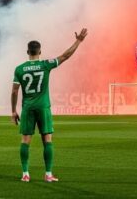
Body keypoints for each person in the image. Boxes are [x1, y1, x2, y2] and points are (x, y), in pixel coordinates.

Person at [11, 28, 88, 183]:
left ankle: (25, 174)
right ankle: (48, 174)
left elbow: (14, 91)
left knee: (25, 141)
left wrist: (13, 111)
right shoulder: (46, 65)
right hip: (43, 107)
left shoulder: (19, 69)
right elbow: (66, 55)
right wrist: (78, 41)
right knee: (47, 139)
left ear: (27, 52)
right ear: (40, 51)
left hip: (27, 108)